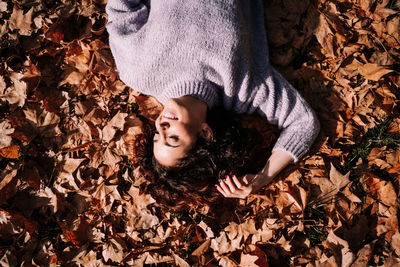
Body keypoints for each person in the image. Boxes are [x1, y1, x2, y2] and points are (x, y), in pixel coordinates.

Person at [106, 0, 320, 206]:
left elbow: (122, 9)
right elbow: (303, 123)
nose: (160, 126)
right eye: (172, 138)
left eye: (156, 136)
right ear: (206, 133)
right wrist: (264, 176)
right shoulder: (242, 88)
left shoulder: (138, 71)